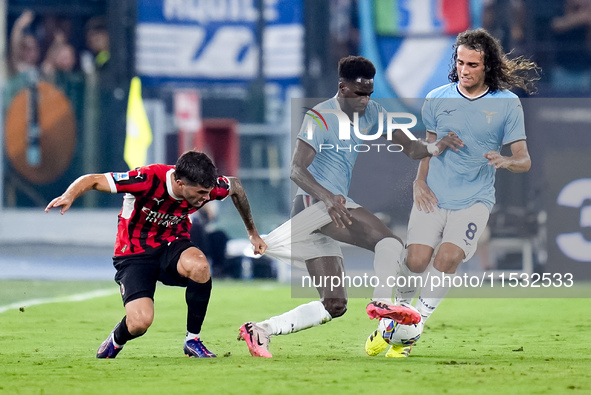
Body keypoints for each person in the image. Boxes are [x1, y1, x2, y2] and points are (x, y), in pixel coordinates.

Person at [238, 55, 464, 358]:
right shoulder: (319, 117)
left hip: (327, 211)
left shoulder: (372, 112)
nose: (365, 100)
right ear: (342, 88)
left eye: (370, 93)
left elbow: (411, 147)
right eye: (360, 94)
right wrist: (329, 198)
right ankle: (382, 302)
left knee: (334, 304)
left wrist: (436, 146)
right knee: (389, 243)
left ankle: (261, 330)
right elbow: (295, 169)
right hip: (315, 205)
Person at [365, 28, 539, 358]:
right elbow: (430, 147)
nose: (464, 70)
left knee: (448, 257)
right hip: (433, 195)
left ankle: (413, 329)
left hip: (474, 200)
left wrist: (505, 161)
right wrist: (419, 181)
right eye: (460, 62)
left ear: (487, 66)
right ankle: (392, 323)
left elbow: (524, 159)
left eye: (472, 64)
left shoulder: (506, 104)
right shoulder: (437, 98)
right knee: (415, 261)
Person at [45, 151, 267, 358]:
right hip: (134, 253)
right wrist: (69, 195)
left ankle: (193, 340)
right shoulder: (147, 178)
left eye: (208, 192)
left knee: (200, 265)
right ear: (180, 183)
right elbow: (92, 179)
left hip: (172, 245)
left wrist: (252, 233)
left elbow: (236, 186)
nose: (206, 198)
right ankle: (116, 339)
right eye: (200, 193)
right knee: (140, 323)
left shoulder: (208, 187)